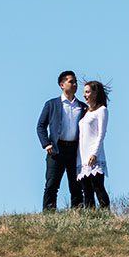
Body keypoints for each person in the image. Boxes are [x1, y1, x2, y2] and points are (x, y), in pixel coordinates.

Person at [37, 70, 86, 211]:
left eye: (75, 81)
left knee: (76, 185)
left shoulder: (82, 107)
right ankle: (49, 213)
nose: (75, 84)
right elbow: (40, 125)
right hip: (56, 150)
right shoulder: (51, 104)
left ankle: (77, 213)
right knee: (52, 184)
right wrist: (46, 144)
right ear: (62, 84)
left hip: (75, 150)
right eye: (71, 81)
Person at [77, 80, 110, 209]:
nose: (85, 95)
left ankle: (105, 212)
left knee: (98, 186)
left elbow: (101, 134)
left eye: (87, 92)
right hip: (82, 155)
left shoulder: (102, 110)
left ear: (95, 93)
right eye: (84, 92)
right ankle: (91, 216)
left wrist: (95, 153)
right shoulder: (86, 113)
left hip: (94, 154)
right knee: (86, 189)